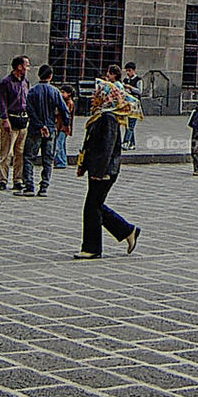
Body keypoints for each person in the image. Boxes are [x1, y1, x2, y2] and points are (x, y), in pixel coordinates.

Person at [75, 65, 140, 259]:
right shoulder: (100, 115)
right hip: (97, 167)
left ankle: (92, 248)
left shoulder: (108, 118)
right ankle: (127, 230)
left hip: (105, 170)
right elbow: (90, 143)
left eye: (97, 94)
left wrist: (99, 170)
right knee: (96, 205)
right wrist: (83, 165)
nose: (94, 97)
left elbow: (107, 148)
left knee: (92, 207)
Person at [22, 64, 63, 196]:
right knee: (48, 159)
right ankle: (44, 186)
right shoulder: (55, 91)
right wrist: (63, 124)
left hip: (35, 128)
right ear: (50, 76)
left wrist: (40, 125)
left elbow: (29, 109)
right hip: (50, 129)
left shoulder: (33, 91)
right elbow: (64, 110)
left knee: (29, 157)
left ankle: (29, 186)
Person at [0, 55, 30, 192]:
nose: (28, 68)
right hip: (10, 119)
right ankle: (2, 179)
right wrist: (4, 119)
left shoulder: (25, 82)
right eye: (26, 65)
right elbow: (2, 102)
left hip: (23, 120)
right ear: (19, 67)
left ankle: (18, 179)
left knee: (20, 152)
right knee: (6, 152)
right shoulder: (6, 82)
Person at [122, 62, 143, 150]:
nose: (128, 73)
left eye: (129, 71)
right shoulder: (125, 80)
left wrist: (130, 88)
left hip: (134, 105)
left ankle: (126, 142)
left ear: (134, 70)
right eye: (126, 71)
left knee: (131, 124)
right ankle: (132, 143)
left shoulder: (138, 80)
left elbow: (140, 91)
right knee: (129, 124)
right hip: (127, 104)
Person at [54, 84, 75, 168]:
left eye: (63, 92)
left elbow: (65, 114)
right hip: (61, 126)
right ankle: (63, 160)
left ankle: (61, 161)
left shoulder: (69, 103)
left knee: (59, 144)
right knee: (62, 144)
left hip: (63, 126)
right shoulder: (65, 102)